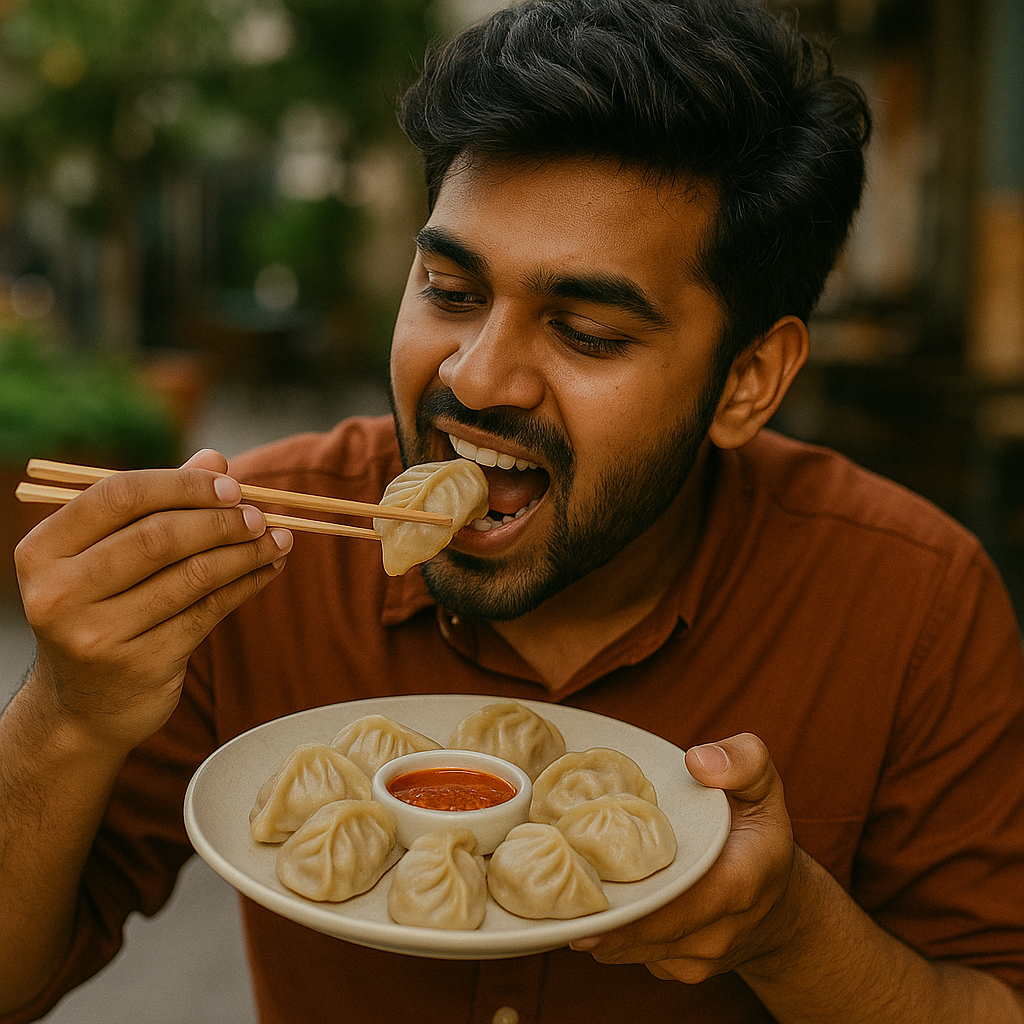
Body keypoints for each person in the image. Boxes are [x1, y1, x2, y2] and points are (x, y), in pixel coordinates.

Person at [2, 0, 1024, 1021]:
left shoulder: (911, 604)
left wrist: (792, 933)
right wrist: (65, 716)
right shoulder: (257, 552)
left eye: (583, 330)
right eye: (448, 287)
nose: (478, 375)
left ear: (748, 379)